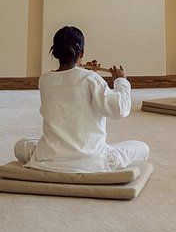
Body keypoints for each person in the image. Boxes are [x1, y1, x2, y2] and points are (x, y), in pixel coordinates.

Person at [14, 26, 150, 173]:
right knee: (142, 148)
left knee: (21, 146)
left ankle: (53, 161)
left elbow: (70, 82)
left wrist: (86, 72)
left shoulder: (45, 80)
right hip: (91, 160)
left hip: (49, 158)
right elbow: (119, 110)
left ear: (55, 52)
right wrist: (121, 81)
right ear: (82, 53)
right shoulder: (91, 79)